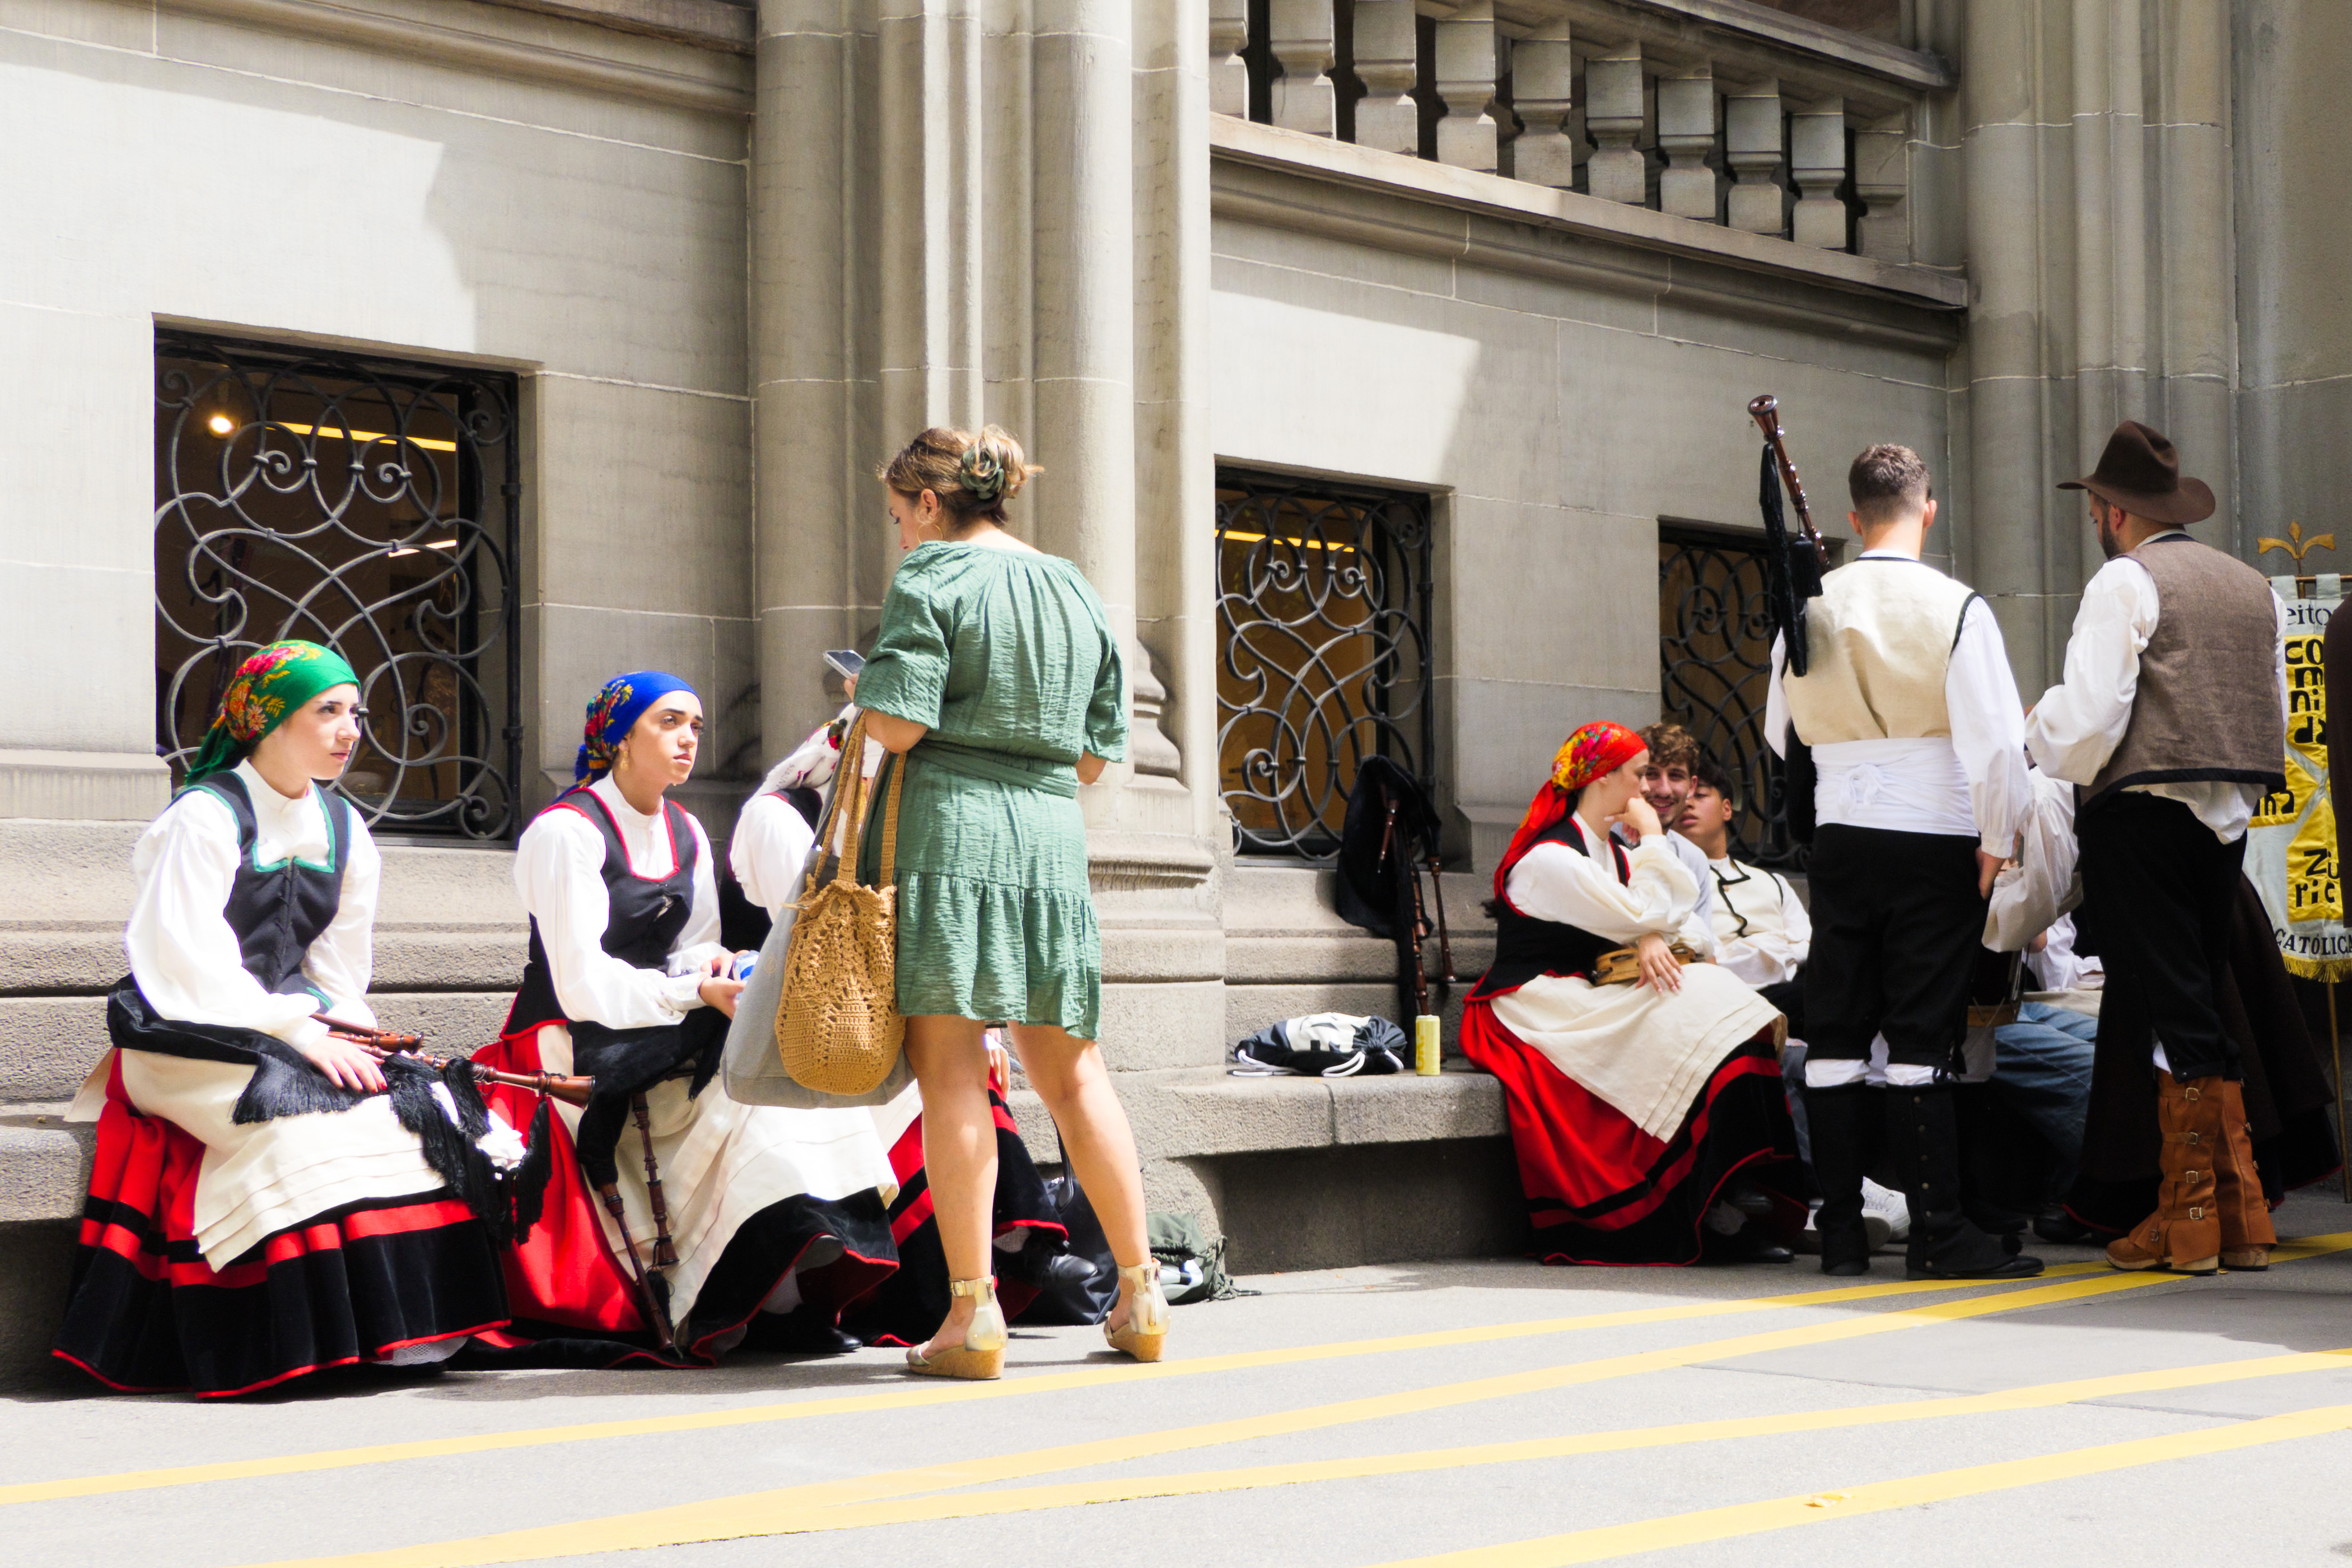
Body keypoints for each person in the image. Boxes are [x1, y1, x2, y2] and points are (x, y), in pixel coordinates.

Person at [53, 642, 520, 1394]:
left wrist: (357, 1040)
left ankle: (400, 1336)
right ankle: (288, 1343)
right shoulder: (204, 818)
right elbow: (185, 963)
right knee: (304, 1131)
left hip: (294, 1028)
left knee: (416, 1109)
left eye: (354, 713)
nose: (350, 730)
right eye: (326, 711)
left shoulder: (345, 827)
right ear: (267, 720)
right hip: (184, 1031)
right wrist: (299, 1032)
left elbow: (338, 975)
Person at [467, 671, 899, 1364]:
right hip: (566, 1039)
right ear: (619, 737)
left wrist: (718, 967)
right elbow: (581, 983)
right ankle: (728, 1292)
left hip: (663, 1019)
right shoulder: (564, 832)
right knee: (740, 1086)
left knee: (771, 1075)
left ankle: (776, 1289)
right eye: (669, 722)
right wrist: (697, 994)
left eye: (696, 725)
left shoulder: (686, 827)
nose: (688, 739)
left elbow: (689, 947)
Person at [854, 424, 1166, 1378]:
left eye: (903, 515)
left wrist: (866, 700)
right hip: (1050, 837)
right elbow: (1093, 757)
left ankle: (971, 1317)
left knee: (953, 1076)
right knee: (1076, 1076)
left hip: (953, 832)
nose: (903, 535)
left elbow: (900, 728)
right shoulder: (1075, 586)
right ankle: (1142, 1290)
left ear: (931, 504)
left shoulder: (932, 576)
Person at [1768, 442, 2039, 1280]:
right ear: (1928, 510)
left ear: (1854, 519)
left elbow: (1779, 735)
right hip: (1935, 840)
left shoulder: (1809, 604)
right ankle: (1939, 1235)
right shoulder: (1958, 608)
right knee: (1924, 1041)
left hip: (1844, 841)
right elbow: (1998, 749)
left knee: (1841, 1033)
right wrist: (1998, 842)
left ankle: (1844, 1235)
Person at [729, 716, 1088, 1346]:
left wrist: (985, 1030)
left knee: (965, 1073)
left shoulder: (888, 819)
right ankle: (961, 1274)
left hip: (863, 995)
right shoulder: (782, 817)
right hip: (807, 1007)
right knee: (936, 1084)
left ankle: (1008, 1254)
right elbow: (825, 939)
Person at [2025, 420, 2287, 1275]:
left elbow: (2092, 716)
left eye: (2096, 508)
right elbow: (2271, 712)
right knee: (2197, 996)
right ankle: (2240, 1213)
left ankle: (2191, 1221)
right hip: (2225, 816)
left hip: (2138, 812)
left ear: (2109, 512)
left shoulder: (2125, 582)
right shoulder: (2252, 587)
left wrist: (2038, 737)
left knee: (2176, 1008)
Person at [1457, 721, 1798, 1266]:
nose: (1646, 789)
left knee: (1723, 1006)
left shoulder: (1606, 850)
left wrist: (1646, 931)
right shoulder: (1553, 857)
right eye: (1639, 774)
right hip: (1536, 1004)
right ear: (1603, 777)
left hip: (1585, 993)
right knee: (1707, 1007)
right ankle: (1705, 1203)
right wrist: (1653, 874)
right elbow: (1651, 910)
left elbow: (1679, 925)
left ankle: (1724, 1193)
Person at [1634, 723, 1716, 926]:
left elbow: (1704, 949)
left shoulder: (1693, 859)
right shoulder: (1605, 840)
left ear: (1692, 787)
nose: (1664, 790)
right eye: (1652, 774)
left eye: (1675, 776)